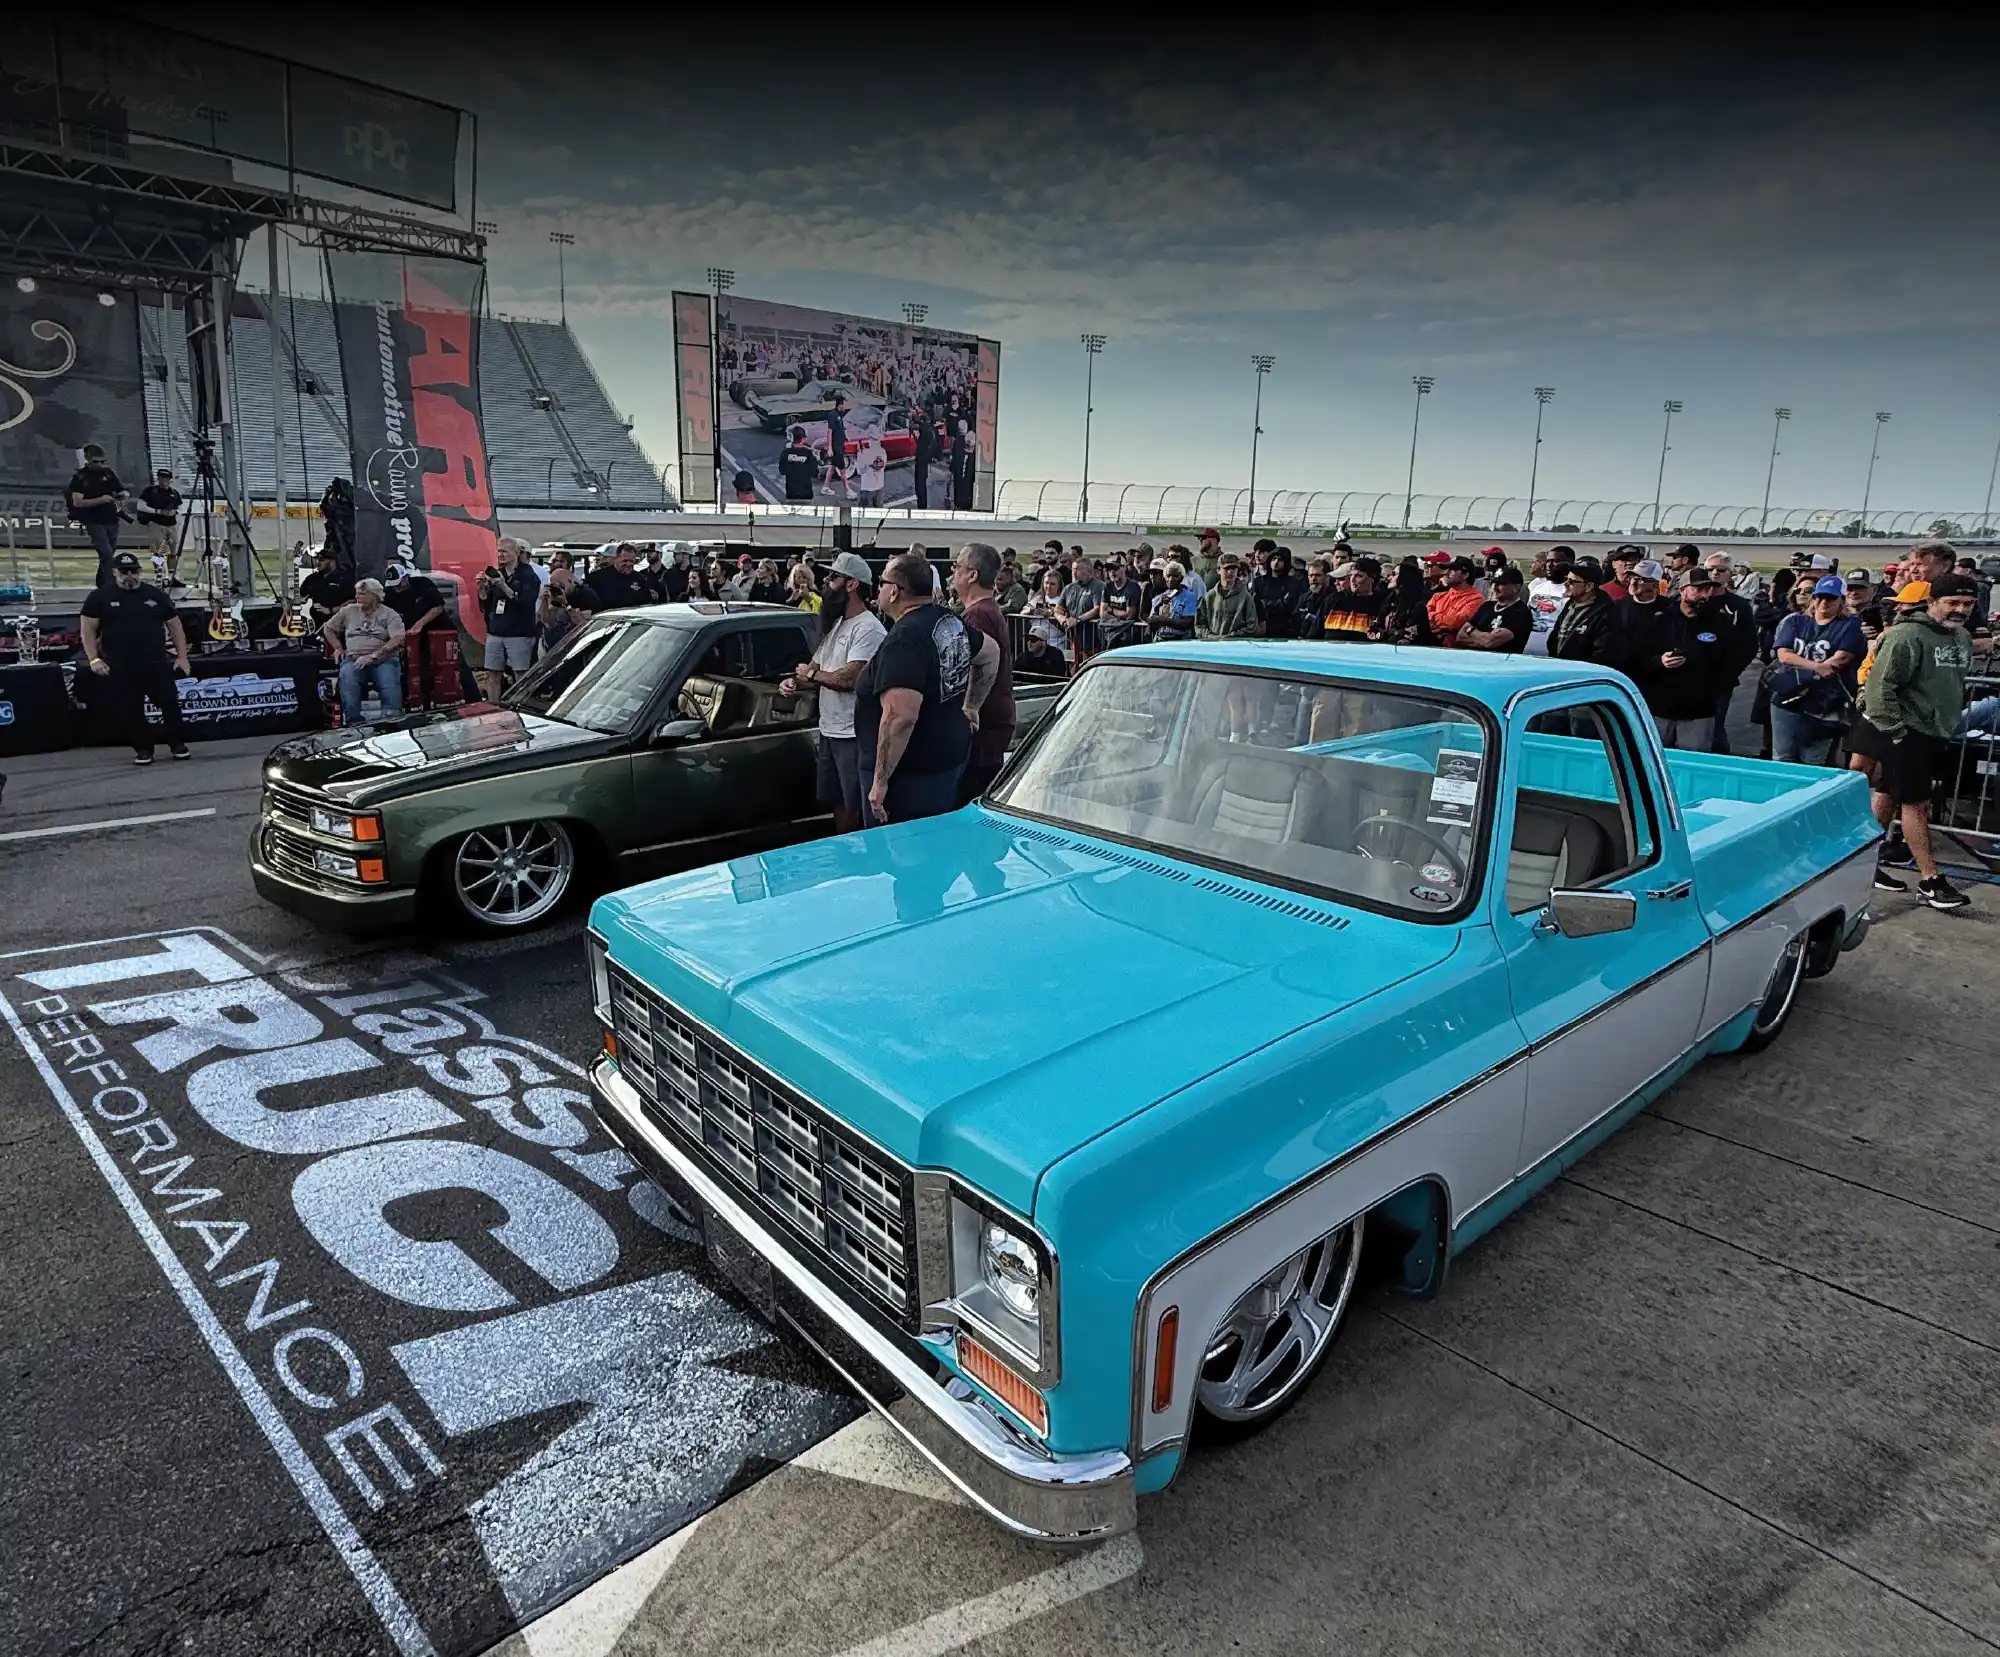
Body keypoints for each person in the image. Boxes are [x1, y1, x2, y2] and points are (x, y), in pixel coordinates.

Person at [1849, 573, 1977, 910]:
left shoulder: (1960, 637)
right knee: (1916, 803)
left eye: (1967, 604)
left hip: (1935, 732)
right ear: (1933, 601)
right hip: (1905, 732)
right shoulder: (1906, 635)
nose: (1960, 610)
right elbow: (1879, 689)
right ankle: (1930, 879)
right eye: (1953, 603)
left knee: (1889, 795)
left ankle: (1865, 863)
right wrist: (1897, 733)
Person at [855, 551, 998, 825]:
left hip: (909, 776)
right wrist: (971, 706)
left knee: (901, 857)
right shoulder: (948, 620)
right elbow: (990, 653)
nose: (878, 589)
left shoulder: (904, 640)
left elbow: (900, 718)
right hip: (946, 757)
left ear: (895, 592)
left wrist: (880, 783)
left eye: (882, 583)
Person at [782, 551, 887, 833]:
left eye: (833, 577)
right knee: (836, 799)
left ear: (852, 584)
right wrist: (796, 682)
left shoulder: (868, 629)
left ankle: (855, 854)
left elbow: (851, 678)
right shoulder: (838, 624)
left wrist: (812, 674)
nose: (826, 581)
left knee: (854, 803)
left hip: (852, 734)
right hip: (830, 729)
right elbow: (815, 668)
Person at [80, 551, 192, 763]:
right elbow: (87, 629)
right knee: (130, 710)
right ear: (114, 573)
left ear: (140, 572)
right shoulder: (100, 597)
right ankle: (143, 749)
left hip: (156, 662)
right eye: (124, 572)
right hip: (120, 664)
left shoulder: (155, 595)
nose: (129, 575)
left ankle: (177, 744)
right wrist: (94, 659)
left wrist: (182, 656)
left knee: (169, 704)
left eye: (134, 571)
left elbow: (175, 626)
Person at [1768, 577, 1864, 765]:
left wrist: (1805, 670)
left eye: (1831, 598)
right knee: (1782, 756)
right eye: (1820, 597)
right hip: (1787, 697)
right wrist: (1816, 669)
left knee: (1813, 759)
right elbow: (1784, 655)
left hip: (1824, 701)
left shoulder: (1850, 625)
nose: (1824, 602)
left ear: (1841, 601)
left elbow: (1841, 658)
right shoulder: (1795, 621)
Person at [950, 542, 1016, 803]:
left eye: (957, 566)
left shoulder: (977, 616)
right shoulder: (988, 610)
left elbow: (977, 667)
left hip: (982, 728)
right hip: (993, 723)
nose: (953, 572)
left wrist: (969, 707)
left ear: (972, 575)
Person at [323, 578, 406, 726]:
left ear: (374, 596)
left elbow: (398, 639)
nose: (356, 597)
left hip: (383, 660)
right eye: (357, 594)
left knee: (388, 683)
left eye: (361, 594)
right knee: (347, 678)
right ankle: (353, 722)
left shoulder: (389, 614)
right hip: (353, 658)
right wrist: (338, 647)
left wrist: (373, 656)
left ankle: (393, 721)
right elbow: (328, 628)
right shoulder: (348, 611)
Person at [1702, 553, 1760, 752]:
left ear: (1730, 574)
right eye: (1710, 569)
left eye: (1721, 570)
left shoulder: (1738, 606)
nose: (1714, 574)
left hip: (1720, 681)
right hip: (1687, 678)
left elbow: (1750, 645)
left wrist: (1729, 672)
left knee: (1715, 730)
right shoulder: (1691, 600)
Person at [477, 537, 541, 699]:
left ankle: (521, 705)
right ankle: (493, 707)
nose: (501, 555)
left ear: (516, 553)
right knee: (493, 673)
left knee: (520, 674)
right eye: (499, 551)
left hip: (519, 633)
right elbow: (487, 605)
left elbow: (526, 602)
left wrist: (503, 585)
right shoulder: (498, 572)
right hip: (496, 631)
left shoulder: (528, 574)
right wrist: (482, 589)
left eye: (505, 551)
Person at [384, 561, 447, 707]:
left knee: (447, 666)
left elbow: (437, 607)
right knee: (412, 669)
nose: (397, 588)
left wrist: (419, 624)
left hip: (435, 631)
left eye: (399, 584)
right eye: (394, 585)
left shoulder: (423, 584)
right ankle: (413, 702)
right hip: (408, 636)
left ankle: (470, 698)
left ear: (405, 578)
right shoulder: (389, 594)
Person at [67, 443, 127, 587]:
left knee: (108, 555)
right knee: (106, 553)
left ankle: (102, 583)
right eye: (96, 462)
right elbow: (77, 501)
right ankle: (110, 585)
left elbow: (120, 490)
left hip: (111, 518)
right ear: (87, 459)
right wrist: (100, 500)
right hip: (94, 520)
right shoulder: (81, 477)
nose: (99, 465)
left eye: (102, 461)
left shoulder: (108, 473)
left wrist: (122, 495)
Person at [1547, 557, 1620, 664]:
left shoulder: (1606, 613)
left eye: (1571, 581)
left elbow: (1602, 654)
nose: (1566, 584)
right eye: (1566, 578)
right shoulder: (1570, 605)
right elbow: (1555, 637)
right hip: (1560, 668)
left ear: (1589, 586)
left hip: (1583, 674)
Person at [1461, 566, 1532, 652]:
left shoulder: (1521, 613)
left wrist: (1470, 631)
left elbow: (1490, 642)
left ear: (1516, 588)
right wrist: (1481, 639)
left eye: (1500, 584)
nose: (1494, 587)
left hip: (1502, 662)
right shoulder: (1487, 606)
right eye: (1493, 583)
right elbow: (1460, 637)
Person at [136, 468, 183, 588]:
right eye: (161, 478)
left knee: (173, 553)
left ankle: (173, 577)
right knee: (158, 553)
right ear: (158, 479)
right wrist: (158, 511)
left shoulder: (174, 493)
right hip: (156, 523)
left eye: (166, 479)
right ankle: (159, 576)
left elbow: (179, 507)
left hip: (171, 524)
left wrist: (174, 512)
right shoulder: (150, 491)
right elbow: (141, 506)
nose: (164, 481)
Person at [1196, 552, 1260, 639]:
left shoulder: (1245, 597)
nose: (1230, 572)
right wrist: (1211, 637)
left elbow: (1252, 627)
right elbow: (1199, 625)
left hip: (1235, 646)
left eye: (1234, 568)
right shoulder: (1209, 597)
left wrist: (1231, 637)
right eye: (1227, 568)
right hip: (1212, 646)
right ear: (1218, 570)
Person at [1323, 557, 1386, 643]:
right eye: (1351, 575)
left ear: (1372, 579)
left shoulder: (1382, 603)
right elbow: (1316, 632)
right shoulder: (1334, 599)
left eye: (1359, 576)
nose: (1352, 580)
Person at [1524, 546, 1572, 655]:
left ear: (1569, 563)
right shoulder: (1538, 587)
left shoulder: (1573, 591)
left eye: (1556, 561)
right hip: (1527, 650)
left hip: (1556, 653)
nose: (1549, 565)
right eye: (1548, 561)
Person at [1426, 557, 1485, 644]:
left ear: (1465, 575)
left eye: (1452, 570)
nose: (1446, 573)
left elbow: (1457, 622)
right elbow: (1423, 615)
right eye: (1447, 569)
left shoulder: (1476, 599)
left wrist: (1432, 616)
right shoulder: (1437, 596)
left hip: (1454, 650)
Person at [1057, 556, 1105, 654]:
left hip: (1092, 640)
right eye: (1073, 569)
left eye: (1078, 569)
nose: (1074, 572)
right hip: (1073, 640)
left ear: (1089, 571)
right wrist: (1063, 620)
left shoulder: (1098, 586)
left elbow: (1097, 608)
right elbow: (1058, 608)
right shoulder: (1069, 588)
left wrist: (1078, 620)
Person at [1252, 547, 1304, 638]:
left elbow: (1289, 605)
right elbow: (1255, 604)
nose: (1276, 562)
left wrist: (1266, 603)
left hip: (1284, 630)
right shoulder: (1259, 582)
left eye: (1280, 560)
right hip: (1262, 629)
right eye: (1274, 559)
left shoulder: (1293, 584)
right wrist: (1279, 602)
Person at [586, 542, 652, 611]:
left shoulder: (640, 579)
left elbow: (647, 604)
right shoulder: (597, 578)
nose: (628, 564)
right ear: (616, 559)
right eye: (625, 561)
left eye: (631, 561)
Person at [301, 546, 354, 626]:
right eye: (317, 559)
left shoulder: (344, 578)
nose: (318, 562)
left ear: (333, 562)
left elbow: (353, 601)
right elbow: (302, 597)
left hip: (339, 621)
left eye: (322, 560)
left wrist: (331, 610)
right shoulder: (312, 578)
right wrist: (289, 602)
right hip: (315, 622)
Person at [779, 425, 819, 502]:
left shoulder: (785, 453)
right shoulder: (808, 454)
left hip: (791, 493)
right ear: (803, 439)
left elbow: (782, 470)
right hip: (806, 493)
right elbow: (814, 473)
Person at [852, 431, 888, 507]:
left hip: (867, 488)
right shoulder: (883, 451)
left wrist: (860, 454)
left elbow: (859, 471)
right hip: (879, 487)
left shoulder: (864, 453)